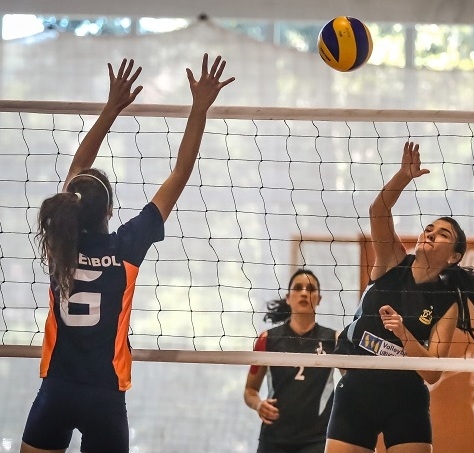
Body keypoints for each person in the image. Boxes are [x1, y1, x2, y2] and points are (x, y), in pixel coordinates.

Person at [21, 54, 234, 453]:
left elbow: (79, 169)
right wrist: (199, 109)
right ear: (109, 211)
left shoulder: (59, 242)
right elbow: (180, 173)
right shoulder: (126, 247)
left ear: (72, 206)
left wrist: (110, 107)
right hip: (104, 397)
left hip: (58, 390)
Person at [324, 141, 474, 453]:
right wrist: (404, 176)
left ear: (454, 257)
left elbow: (433, 372)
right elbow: (378, 210)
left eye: (442, 234)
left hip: (405, 397)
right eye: (429, 229)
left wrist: (404, 334)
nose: (430, 234)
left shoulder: (446, 301)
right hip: (358, 389)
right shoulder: (393, 260)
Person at [244, 269, 337, 453]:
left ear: (319, 298)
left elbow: (351, 387)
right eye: (298, 288)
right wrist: (258, 404)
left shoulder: (334, 339)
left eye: (310, 289)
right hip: (274, 438)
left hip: (317, 439)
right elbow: (250, 390)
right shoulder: (267, 339)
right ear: (288, 297)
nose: (304, 292)